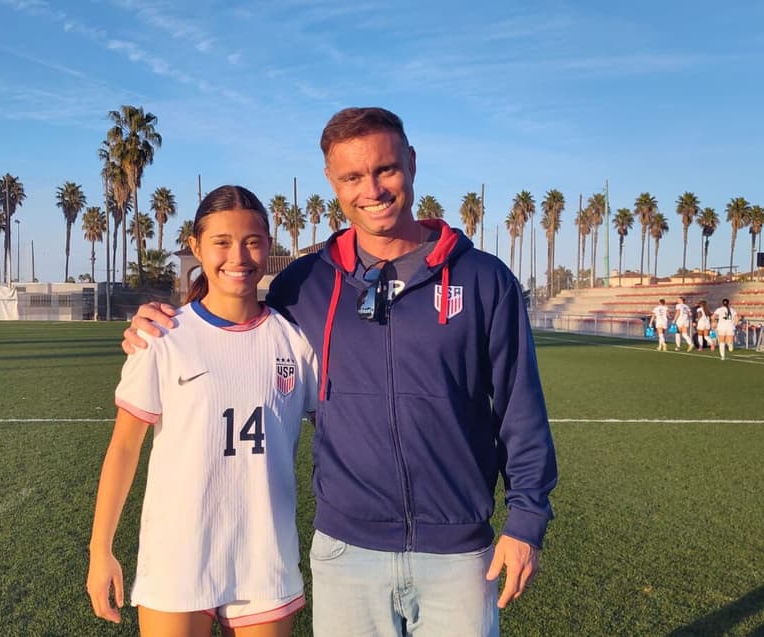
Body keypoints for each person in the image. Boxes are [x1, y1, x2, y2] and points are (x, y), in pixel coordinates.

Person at [123, 107, 558, 637]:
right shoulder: (306, 284)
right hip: (346, 553)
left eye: (386, 170)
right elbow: (233, 319)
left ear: (412, 164)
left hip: (458, 552)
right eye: (352, 176)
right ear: (332, 182)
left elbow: (520, 408)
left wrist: (526, 521)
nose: (371, 189)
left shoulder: (485, 279)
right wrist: (161, 322)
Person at [87, 185, 318, 636]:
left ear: (269, 246)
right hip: (179, 559)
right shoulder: (162, 337)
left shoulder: (295, 341)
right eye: (222, 242)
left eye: (252, 241)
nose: (239, 256)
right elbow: (123, 450)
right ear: (195, 247)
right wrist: (101, 550)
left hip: (264, 560)